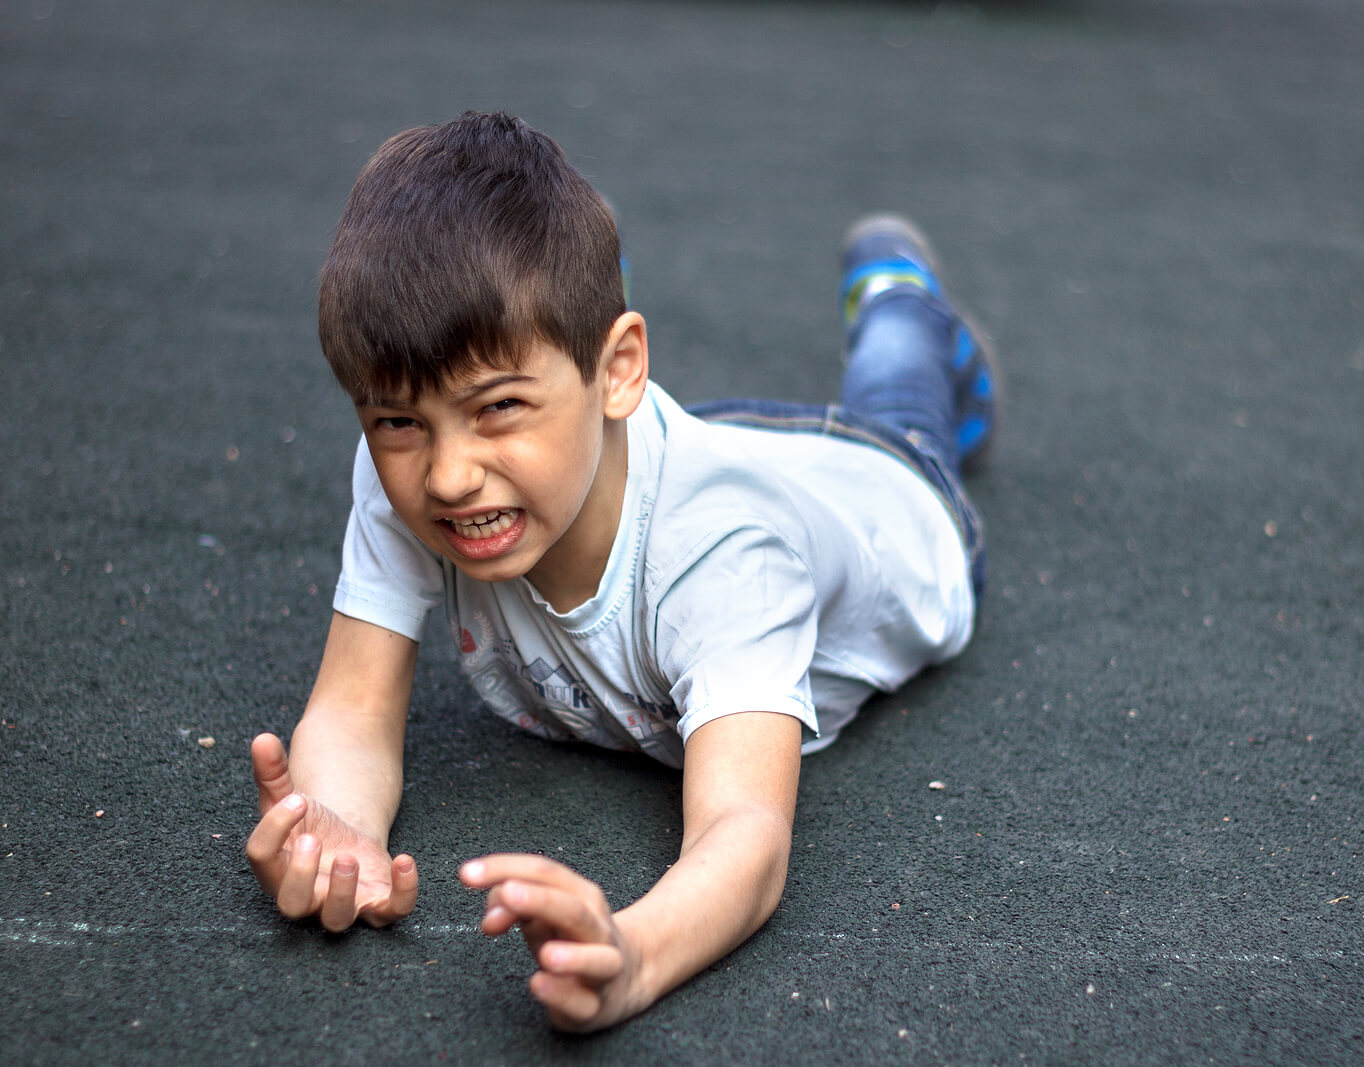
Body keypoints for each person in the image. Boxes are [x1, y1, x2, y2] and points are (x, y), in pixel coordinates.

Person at [244, 110, 998, 1031]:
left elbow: (745, 833)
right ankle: (567, 309)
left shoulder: (726, 558)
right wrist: (339, 829)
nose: (445, 473)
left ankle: (905, 304)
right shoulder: (422, 474)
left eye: (496, 406)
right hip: (625, 456)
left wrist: (634, 954)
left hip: (884, 498)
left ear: (621, 370)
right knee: (530, 360)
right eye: (398, 421)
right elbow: (354, 710)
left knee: (899, 398)